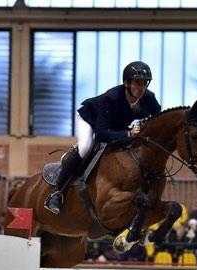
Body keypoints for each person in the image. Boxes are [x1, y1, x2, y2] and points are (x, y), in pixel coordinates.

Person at [45, 61, 161, 214]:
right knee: (86, 146)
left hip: (115, 124)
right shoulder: (111, 98)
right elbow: (101, 134)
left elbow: (158, 119)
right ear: (127, 83)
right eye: (137, 83)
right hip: (90, 120)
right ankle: (57, 193)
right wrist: (128, 134)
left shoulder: (149, 99)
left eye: (145, 83)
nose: (141, 88)